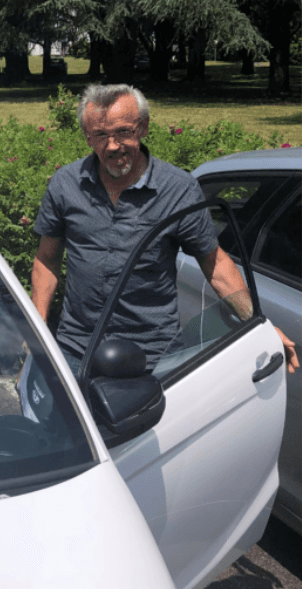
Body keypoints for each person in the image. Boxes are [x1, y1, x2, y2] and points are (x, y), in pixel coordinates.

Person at [31, 83, 298, 376]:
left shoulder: (179, 189)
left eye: (123, 132)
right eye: (100, 135)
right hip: (76, 349)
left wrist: (259, 323)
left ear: (143, 127)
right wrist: (37, 329)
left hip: (151, 356)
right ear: (87, 136)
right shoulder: (66, 184)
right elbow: (47, 259)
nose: (112, 146)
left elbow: (215, 264)